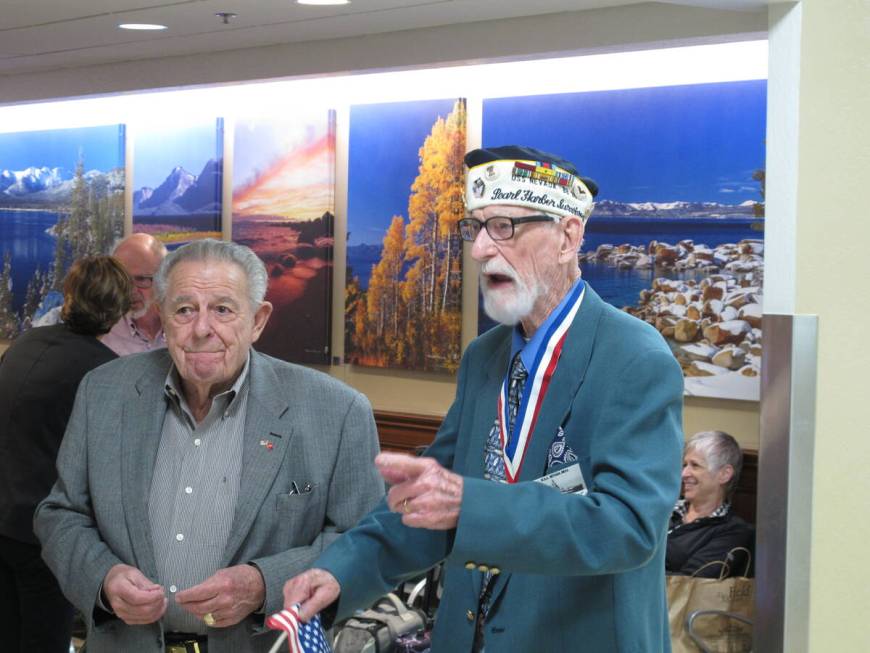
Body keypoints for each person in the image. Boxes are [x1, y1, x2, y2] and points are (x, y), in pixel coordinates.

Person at [283, 146, 684, 652]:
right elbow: (433, 501)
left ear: (568, 237)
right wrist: (340, 572)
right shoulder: (484, 357)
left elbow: (629, 527)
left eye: (505, 227)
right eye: (476, 228)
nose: (479, 251)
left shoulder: (635, 358)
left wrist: (470, 505)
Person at [35, 239, 384, 653]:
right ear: (162, 317)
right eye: (184, 310)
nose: (202, 329)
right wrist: (103, 578)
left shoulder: (336, 411)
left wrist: (264, 585)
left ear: (257, 320)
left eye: (222, 309)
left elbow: (365, 542)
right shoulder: (103, 392)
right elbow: (60, 514)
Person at [0, 256, 132, 653]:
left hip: (5, 518)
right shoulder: (105, 373)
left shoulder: (25, 343)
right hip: (43, 532)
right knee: (45, 640)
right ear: (120, 311)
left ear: (70, 295)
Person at [666, 430, 754, 578]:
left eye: (695, 465)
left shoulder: (733, 531)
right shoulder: (664, 510)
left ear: (724, 474)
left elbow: (690, 583)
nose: (684, 474)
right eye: (684, 465)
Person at [101, 232, 169, 355]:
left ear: (164, 278)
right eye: (123, 280)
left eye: (141, 279)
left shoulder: (183, 327)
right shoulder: (104, 333)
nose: (130, 291)